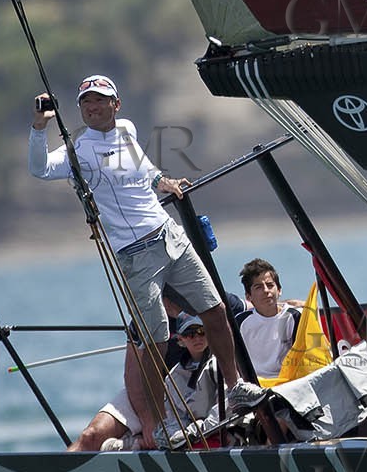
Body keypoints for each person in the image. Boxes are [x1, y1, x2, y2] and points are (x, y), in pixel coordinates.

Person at [31, 74, 243, 450]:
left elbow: (143, 168)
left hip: (169, 235)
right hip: (134, 255)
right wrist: (39, 127)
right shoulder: (79, 151)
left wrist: (164, 180)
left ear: (117, 104)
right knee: (156, 339)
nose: (92, 107)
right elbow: (41, 169)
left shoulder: (127, 129)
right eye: (86, 103)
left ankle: (237, 387)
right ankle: (160, 426)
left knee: (214, 309)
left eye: (100, 100)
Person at [81, 314, 223, 451]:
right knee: (89, 437)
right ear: (180, 339)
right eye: (190, 334)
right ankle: (133, 445)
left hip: (213, 432)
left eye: (201, 332)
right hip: (186, 434)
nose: (197, 338)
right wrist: (174, 433)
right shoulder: (174, 376)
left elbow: (223, 410)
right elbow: (173, 415)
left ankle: (132, 445)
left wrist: (193, 430)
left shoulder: (219, 366)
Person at [235, 258, 303, 380]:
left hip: (287, 382)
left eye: (270, 285)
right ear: (248, 296)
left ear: (279, 290)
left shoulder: (294, 317)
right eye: (258, 287)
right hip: (254, 384)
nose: (266, 291)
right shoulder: (240, 322)